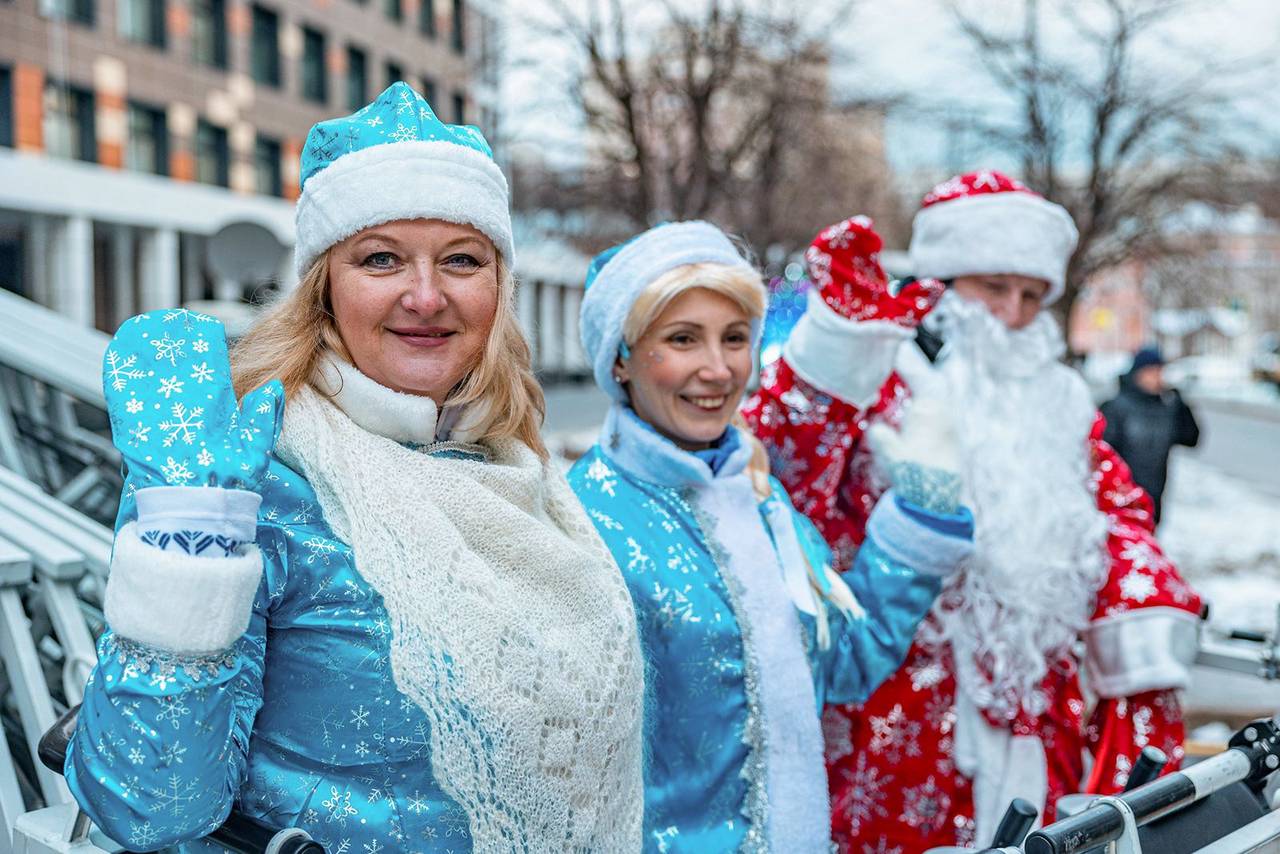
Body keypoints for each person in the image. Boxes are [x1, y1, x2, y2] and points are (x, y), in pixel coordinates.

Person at [66, 83, 646, 853]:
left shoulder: (519, 465)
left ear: (498, 287)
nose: (427, 295)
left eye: (462, 260)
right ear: (325, 290)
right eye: (381, 259)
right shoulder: (257, 486)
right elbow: (148, 803)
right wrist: (188, 548)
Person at [743, 172, 1203, 852]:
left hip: (1035, 726)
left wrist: (1147, 641)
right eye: (993, 288)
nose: (1013, 315)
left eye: (1030, 295)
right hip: (890, 734)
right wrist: (833, 352)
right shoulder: (877, 381)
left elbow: (1119, 520)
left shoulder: (1061, 403)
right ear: (943, 285)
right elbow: (781, 475)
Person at [568, 220, 977, 852]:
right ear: (620, 358)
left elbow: (843, 661)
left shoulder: (760, 499)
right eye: (682, 339)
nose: (717, 368)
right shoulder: (581, 518)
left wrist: (918, 520)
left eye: (735, 339)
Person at [1101, 346, 1200, 524]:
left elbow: (1191, 438)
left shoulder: (1167, 407)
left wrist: (1182, 406)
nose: (1157, 377)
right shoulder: (1115, 407)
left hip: (1154, 497)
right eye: (1151, 371)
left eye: (1160, 371)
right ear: (1138, 373)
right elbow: (1103, 453)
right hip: (1121, 499)